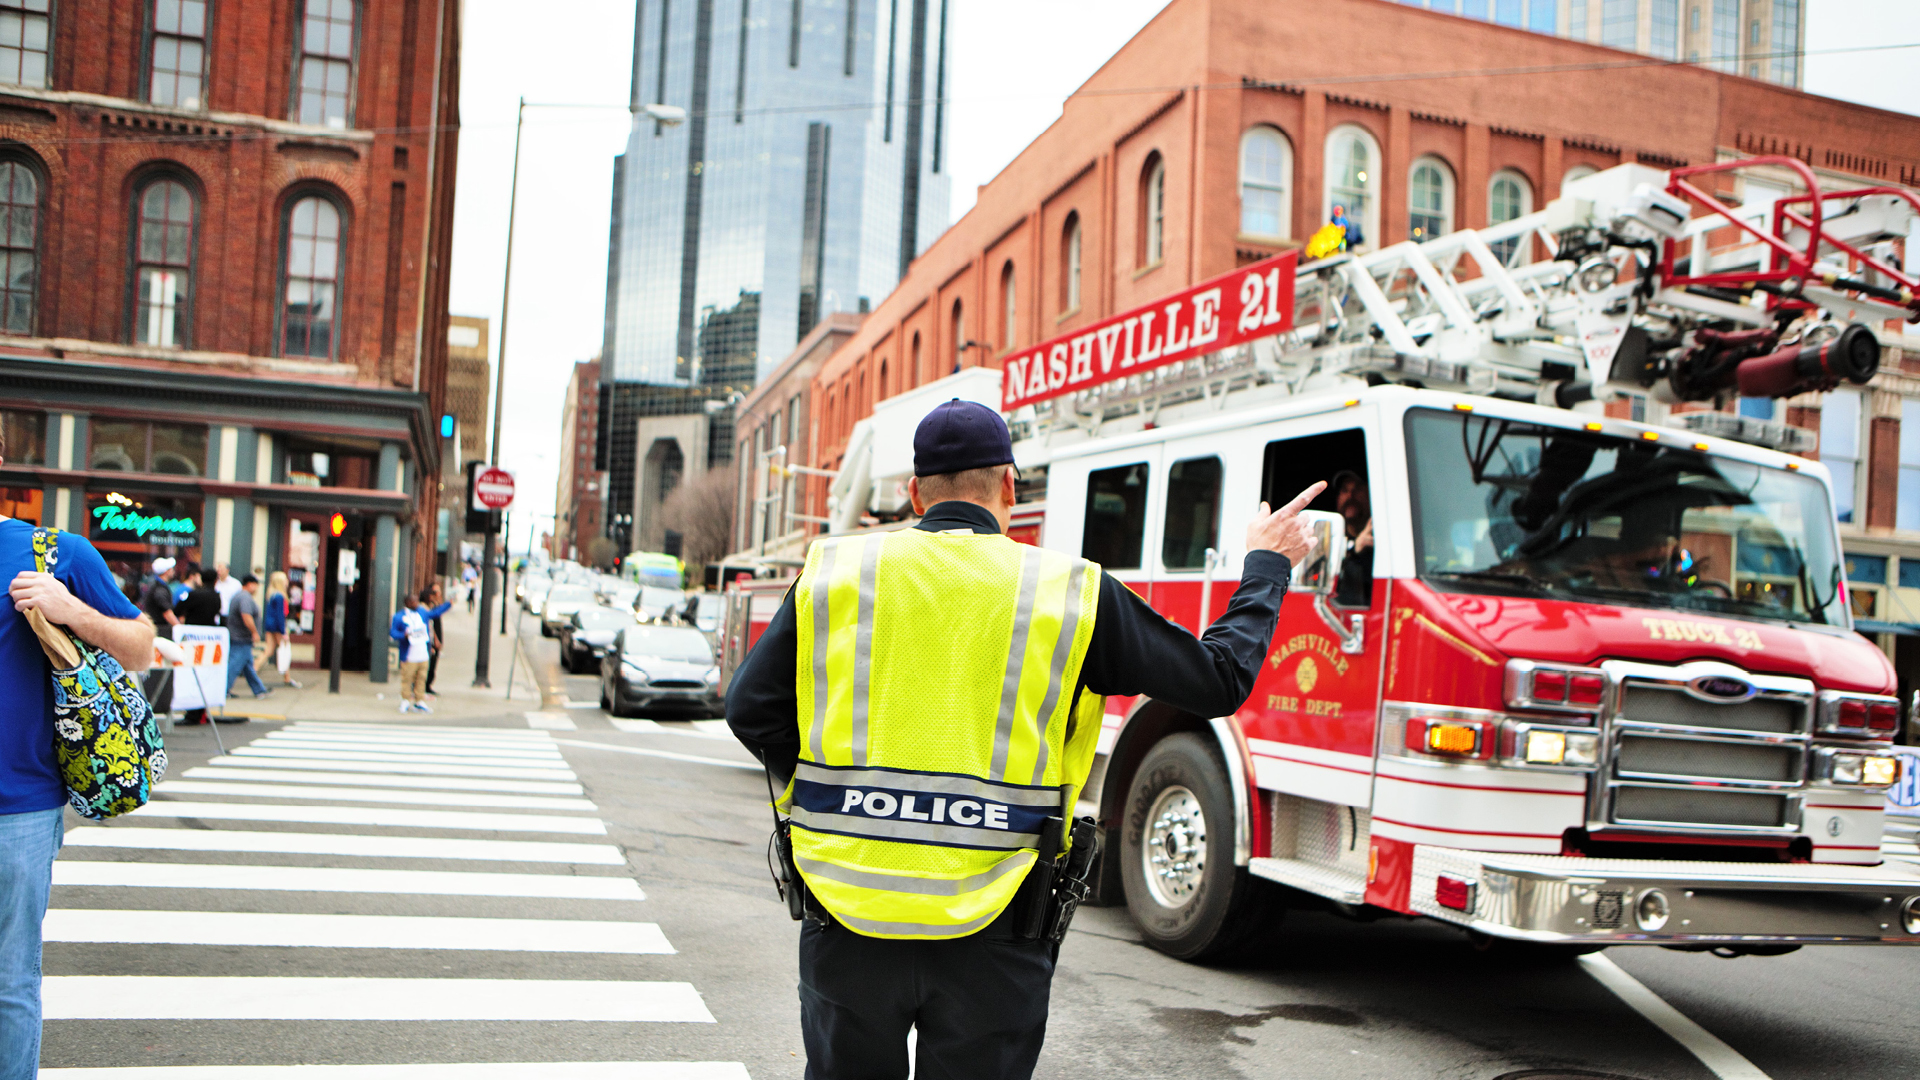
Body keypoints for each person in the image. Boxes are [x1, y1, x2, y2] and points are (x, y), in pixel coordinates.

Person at [726, 399, 1321, 1080]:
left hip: (845, 914)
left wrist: (837, 794)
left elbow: (750, 709)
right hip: (1000, 922)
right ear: (1009, 486)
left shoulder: (834, 571)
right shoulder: (1067, 591)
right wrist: (1266, 565)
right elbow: (1218, 679)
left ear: (915, 493)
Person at [0, 431, 153, 1080]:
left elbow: (141, 646)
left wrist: (69, 610)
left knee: (8, 985)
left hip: (18, 815)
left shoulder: (55, 553)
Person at [172, 566, 223, 727]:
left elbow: (178, 608)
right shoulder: (217, 597)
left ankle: (192, 713)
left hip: (191, 640)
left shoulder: (193, 594)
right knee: (205, 675)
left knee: (190, 675)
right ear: (215, 580)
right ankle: (200, 711)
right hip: (209, 640)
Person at [224, 574, 269, 703]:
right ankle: (223, 689)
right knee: (234, 665)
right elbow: (246, 615)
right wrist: (254, 632)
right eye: (256, 585)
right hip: (241, 638)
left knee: (248, 666)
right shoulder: (245, 598)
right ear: (250, 584)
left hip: (238, 636)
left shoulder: (238, 596)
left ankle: (259, 689)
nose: (256, 589)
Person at [389, 593, 433, 713]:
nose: (416, 603)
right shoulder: (399, 617)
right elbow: (393, 633)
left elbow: (434, 614)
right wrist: (404, 635)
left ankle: (419, 700)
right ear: (407, 603)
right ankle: (405, 700)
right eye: (413, 601)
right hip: (410, 655)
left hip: (423, 653)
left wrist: (448, 605)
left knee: (422, 678)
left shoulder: (422, 612)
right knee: (407, 679)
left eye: (417, 601)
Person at [262, 570, 299, 688]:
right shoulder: (279, 596)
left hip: (270, 626)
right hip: (277, 627)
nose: (287, 582)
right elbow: (280, 615)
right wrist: (283, 632)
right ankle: (287, 678)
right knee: (284, 650)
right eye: (285, 580)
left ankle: (253, 669)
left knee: (269, 651)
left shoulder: (272, 594)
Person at [422, 583, 447, 697]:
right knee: (428, 664)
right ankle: (424, 686)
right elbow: (430, 625)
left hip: (434, 636)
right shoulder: (427, 609)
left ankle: (427, 685)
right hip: (430, 639)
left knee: (433, 663)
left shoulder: (435, 605)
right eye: (436, 592)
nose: (438, 594)